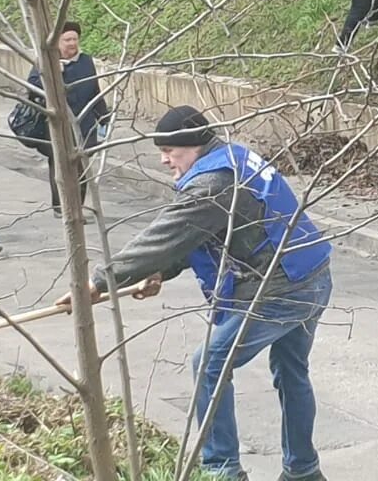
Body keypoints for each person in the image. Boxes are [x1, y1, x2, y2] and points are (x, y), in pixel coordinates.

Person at [60, 106, 333, 481]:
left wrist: (99, 281)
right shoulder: (233, 157)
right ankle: (303, 471)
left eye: (170, 151)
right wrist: (162, 271)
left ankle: (223, 471)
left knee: (209, 364)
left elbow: (168, 234)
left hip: (285, 286)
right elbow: (209, 234)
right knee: (291, 371)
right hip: (312, 271)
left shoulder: (213, 183)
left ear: (192, 146)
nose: (164, 159)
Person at [26, 21, 110, 216]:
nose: (72, 43)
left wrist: (103, 116)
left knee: (82, 168)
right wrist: (53, 75)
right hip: (57, 124)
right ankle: (61, 207)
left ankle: (77, 208)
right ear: (57, 42)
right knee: (61, 166)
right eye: (67, 39)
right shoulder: (46, 62)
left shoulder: (86, 61)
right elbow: (31, 87)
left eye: (75, 39)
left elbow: (94, 90)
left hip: (84, 122)